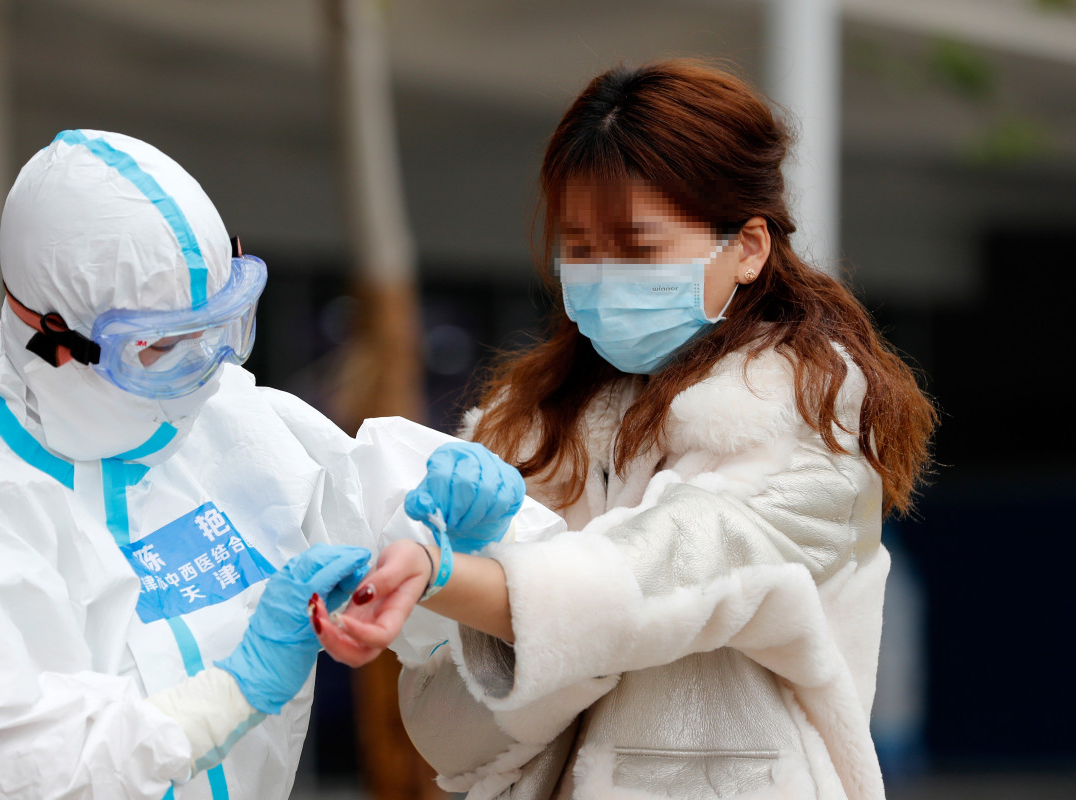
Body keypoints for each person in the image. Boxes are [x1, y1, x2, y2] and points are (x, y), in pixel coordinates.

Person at [314, 60, 937, 800]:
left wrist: (451, 578)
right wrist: (425, 589)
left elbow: (686, 558)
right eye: (579, 249)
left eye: (639, 249)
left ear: (747, 247)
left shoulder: (810, 411)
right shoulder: (528, 422)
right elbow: (449, 732)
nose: (604, 275)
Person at [0, 130, 561, 800]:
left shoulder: (232, 424)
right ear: (54, 339)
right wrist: (231, 692)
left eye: (220, 326)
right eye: (163, 347)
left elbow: (414, 551)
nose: (207, 369)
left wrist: (458, 538)